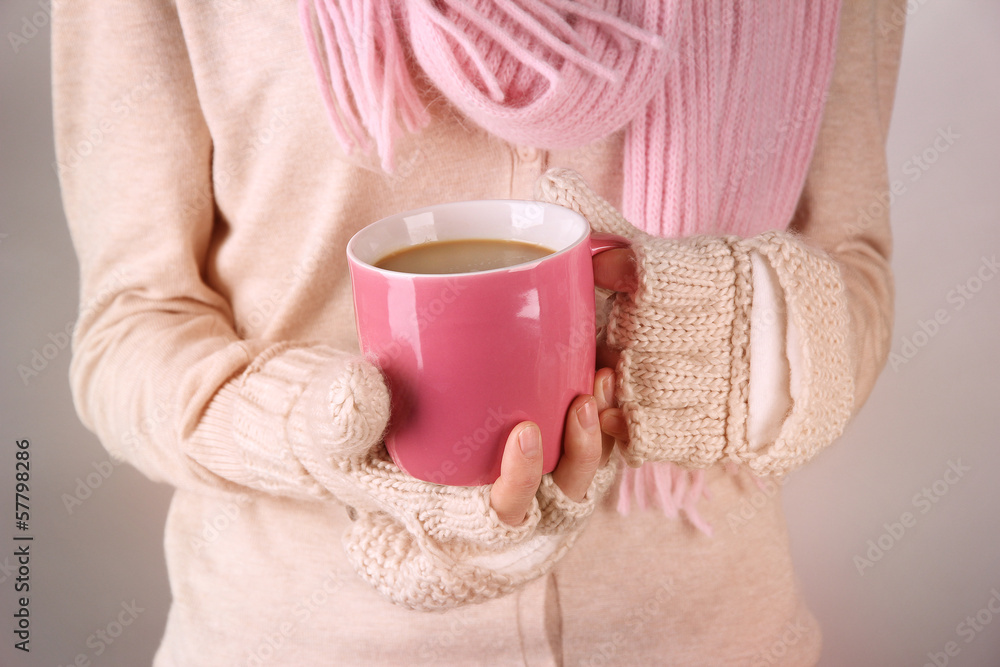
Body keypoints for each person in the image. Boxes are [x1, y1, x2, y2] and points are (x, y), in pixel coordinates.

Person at [53, 0, 903, 663]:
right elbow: (132, 323)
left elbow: (853, 271)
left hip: (711, 637)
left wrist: (751, 334)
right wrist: (309, 431)